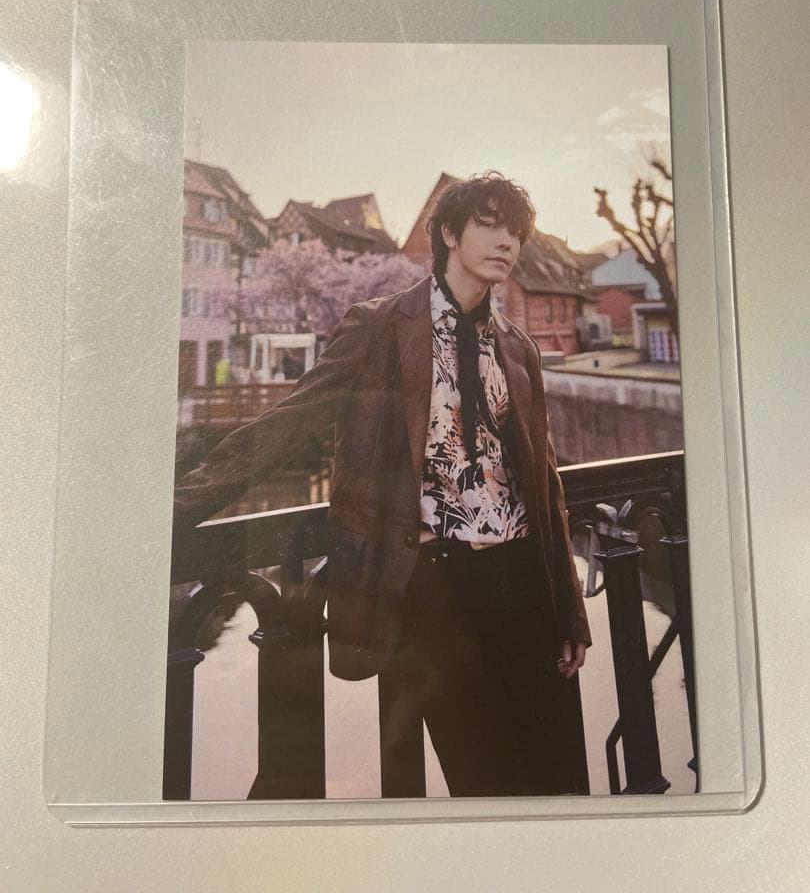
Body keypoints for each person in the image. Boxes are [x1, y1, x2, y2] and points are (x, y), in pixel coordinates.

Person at [173, 171, 591, 797]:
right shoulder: (379, 328)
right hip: (436, 588)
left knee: (557, 776)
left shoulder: (517, 347)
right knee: (483, 781)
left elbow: (544, 484)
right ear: (448, 234)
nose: (507, 242)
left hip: (523, 581)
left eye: (517, 233)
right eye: (490, 225)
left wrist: (569, 611)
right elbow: (289, 424)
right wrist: (176, 508)